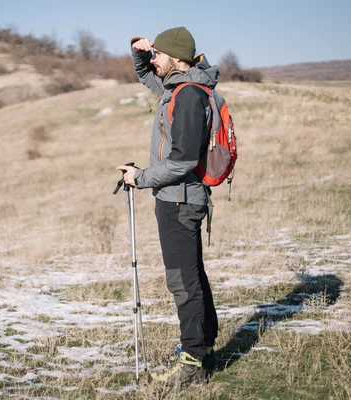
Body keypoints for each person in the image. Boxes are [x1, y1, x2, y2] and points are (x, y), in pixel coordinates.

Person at [116, 26, 219, 386]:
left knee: (183, 281)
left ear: (176, 58)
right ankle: (203, 347)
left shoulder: (188, 95)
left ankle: (192, 365)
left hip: (180, 199)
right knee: (192, 276)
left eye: (159, 53)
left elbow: (183, 160)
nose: (153, 59)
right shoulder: (177, 87)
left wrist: (139, 177)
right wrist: (138, 50)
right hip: (177, 197)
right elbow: (145, 73)